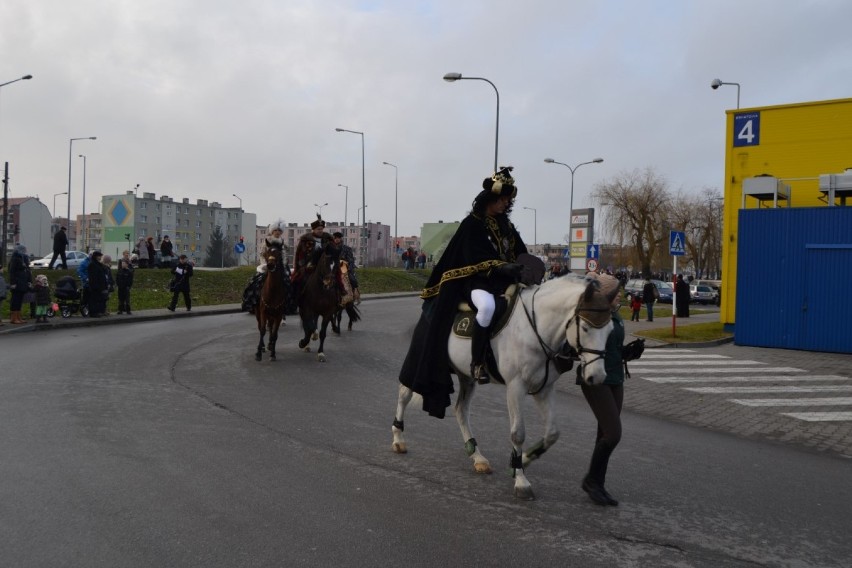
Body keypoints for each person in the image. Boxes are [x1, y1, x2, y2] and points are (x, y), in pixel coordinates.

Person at [398, 166, 527, 418]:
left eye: (507, 201)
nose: (504, 204)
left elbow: (519, 251)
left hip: (502, 281)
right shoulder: (472, 225)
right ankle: (478, 363)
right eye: (502, 199)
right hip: (475, 282)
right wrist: (502, 266)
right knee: (487, 307)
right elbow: (474, 258)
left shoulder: (506, 226)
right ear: (491, 199)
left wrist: (526, 265)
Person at [577, 273, 627, 506]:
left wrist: (628, 353)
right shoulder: (596, 316)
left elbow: (613, 344)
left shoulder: (614, 315)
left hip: (616, 376)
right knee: (613, 434)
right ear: (606, 295)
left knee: (604, 434)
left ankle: (598, 483)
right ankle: (591, 481)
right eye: (617, 293)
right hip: (597, 379)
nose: (621, 296)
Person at [242, 220, 293, 314]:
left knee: (288, 283)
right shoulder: (267, 242)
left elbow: (285, 256)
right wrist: (264, 265)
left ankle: (286, 305)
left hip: (281, 267)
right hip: (268, 266)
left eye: (279, 231)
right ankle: (256, 302)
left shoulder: (284, 244)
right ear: (272, 231)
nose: (277, 232)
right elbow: (262, 254)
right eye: (275, 230)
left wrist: (284, 265)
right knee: (257, 282)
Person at [291, 215, 334, 300]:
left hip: (326, 264)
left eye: (321, 229)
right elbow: (300, 254)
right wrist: (303, 266)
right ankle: (297, 298)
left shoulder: (328, 239)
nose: (320, 231)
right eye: (318, 229)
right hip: (309, 265)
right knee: (297, 280)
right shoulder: (305, 240)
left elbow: (333, 252)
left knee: (338, 278)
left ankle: (341, 297)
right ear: (313, 229)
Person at [8, 243, 33, 324]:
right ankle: (14, 318)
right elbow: (12, 272)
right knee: (15, 300)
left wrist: (29, 281)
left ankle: (18, 316)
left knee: (19, 300)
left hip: (23, 283)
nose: (25, 252)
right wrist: (13, 283)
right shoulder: (15, 259)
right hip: (17, 283)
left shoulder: (24, 259)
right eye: (24, 250)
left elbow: (28, 271)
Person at [332, 231, 359, 305]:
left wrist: (349, 268)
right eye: (335, 238)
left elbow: (351, 259)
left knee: (351, 278)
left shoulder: (346, 248)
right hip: (333, 265)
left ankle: (353, 291)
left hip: (343, 265)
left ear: (341, 239)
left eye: (338, 238)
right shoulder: (331, 248)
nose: (337, 239)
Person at [86, 250, 109, 317]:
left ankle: (98, 311)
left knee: (98, 299)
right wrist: (95, 285)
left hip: (100, 286)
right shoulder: (92, 264)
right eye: (99, 256)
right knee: (93, 300)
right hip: (95, 286)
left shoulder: (98, 264)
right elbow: (93, 277)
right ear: (96, 256)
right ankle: (93, 313)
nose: (100, 257)